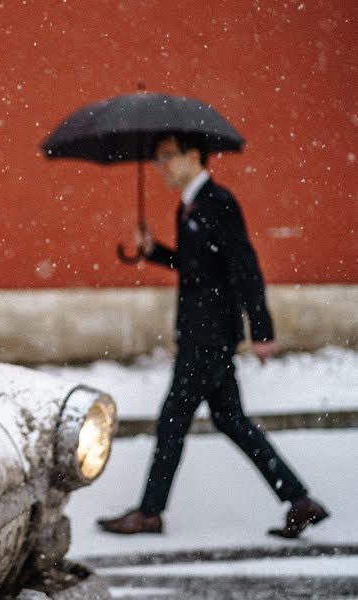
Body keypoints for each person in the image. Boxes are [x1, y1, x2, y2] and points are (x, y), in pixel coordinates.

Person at [97, 132, 328, 539]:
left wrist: (262, 328)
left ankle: (151, 512)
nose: (160, 166)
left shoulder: (218, 202)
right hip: (204, 333)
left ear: (194, 156)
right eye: (157, 159)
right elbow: (197, 266)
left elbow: (244, 265)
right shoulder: (188, 208)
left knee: (172, 420)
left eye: (167, 156)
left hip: (209, 335)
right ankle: (299, 501)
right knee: (231, 420)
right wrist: (153, 251)